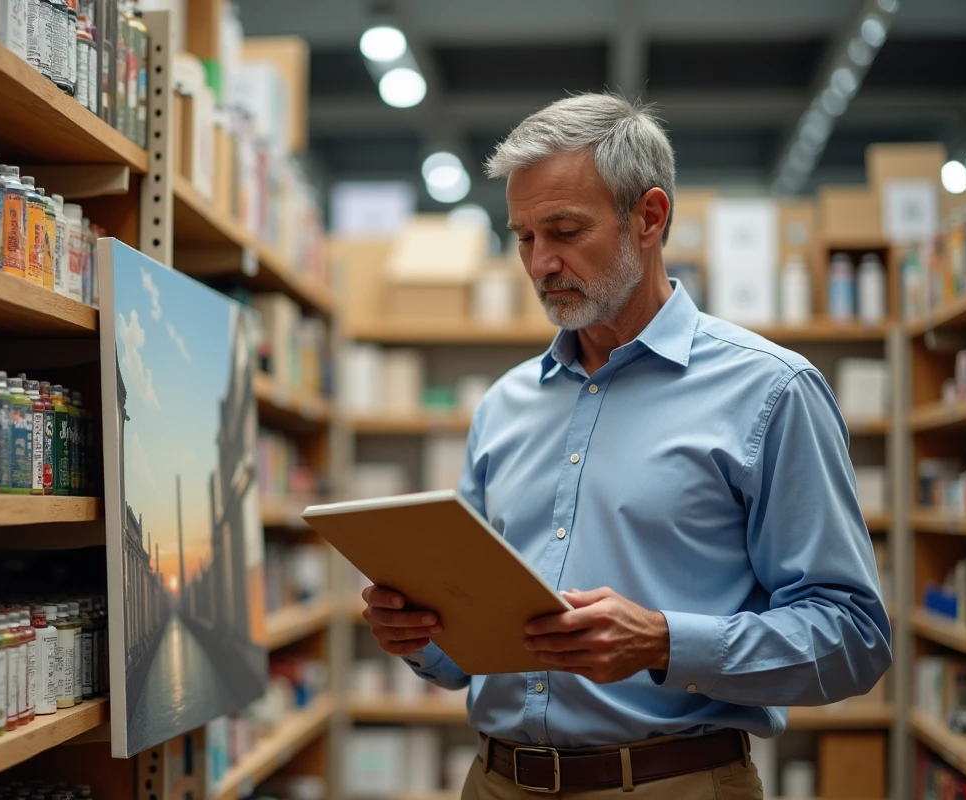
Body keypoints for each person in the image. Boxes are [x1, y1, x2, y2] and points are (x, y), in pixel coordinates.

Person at [360, 93, 892, 799]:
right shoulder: (505, 405)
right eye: (522, 237)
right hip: (494, 782)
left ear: (649, 217)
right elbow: (466, 656)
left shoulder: (771, 391)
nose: (541, 264)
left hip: (674, 782)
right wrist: (420, 635)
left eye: (564, 230)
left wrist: (665, 641)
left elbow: (853, 637)